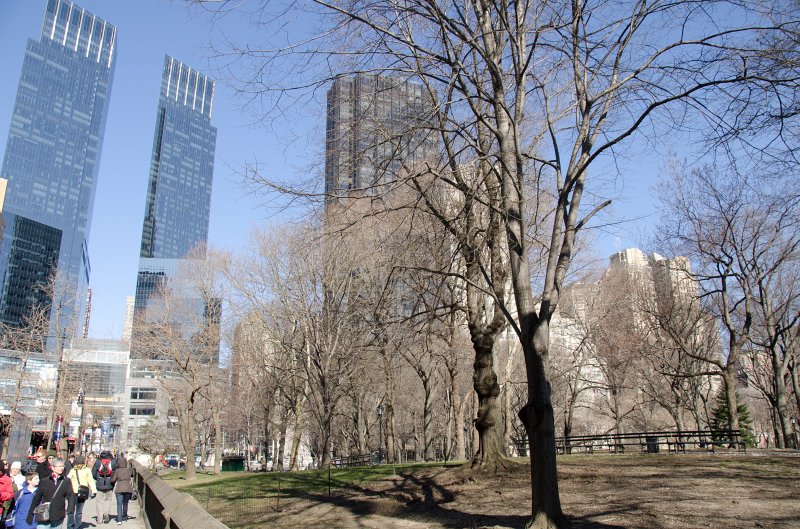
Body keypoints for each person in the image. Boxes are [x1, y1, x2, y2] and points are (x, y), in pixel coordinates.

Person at [26, 457, 74, 529]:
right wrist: (30, 514)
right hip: (44, 515)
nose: (61, 468)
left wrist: (70, 507)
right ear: (52, 467)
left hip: (58, 514)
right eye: (59, 466)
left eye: (62, 466)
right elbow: (37, 499)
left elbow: (70, 495)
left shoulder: (66, 481)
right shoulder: (44, 481)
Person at [67, 456, 96, 529]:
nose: (79, 465)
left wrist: (94, 491)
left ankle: (77, 526)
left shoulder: (87, 470)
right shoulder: (73, 470)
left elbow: (91, 481)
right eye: (78, 464)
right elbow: (67, 480)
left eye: (81, 464)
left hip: (82, 492)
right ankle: (70, 526)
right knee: (70, 511)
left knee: (79, 511)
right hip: (73, 492)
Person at [92, 451, 115, 524]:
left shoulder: (98, 462)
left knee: (99, 501)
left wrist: (98, 478)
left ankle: (100, 518)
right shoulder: (113, 462)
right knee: (108, 499)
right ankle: (106, 513)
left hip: (100, 483)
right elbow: (115, 472)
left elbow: (93, 473)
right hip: (110, 483)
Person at [110, 458, 133, 526]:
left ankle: (119, 520)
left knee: (119, 504)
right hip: (127, 488)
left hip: (119, 489)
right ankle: (125, 517)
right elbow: (132, 475)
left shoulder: (117, 471)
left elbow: (113, 480)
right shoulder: (129, 470)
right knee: (125, 504)